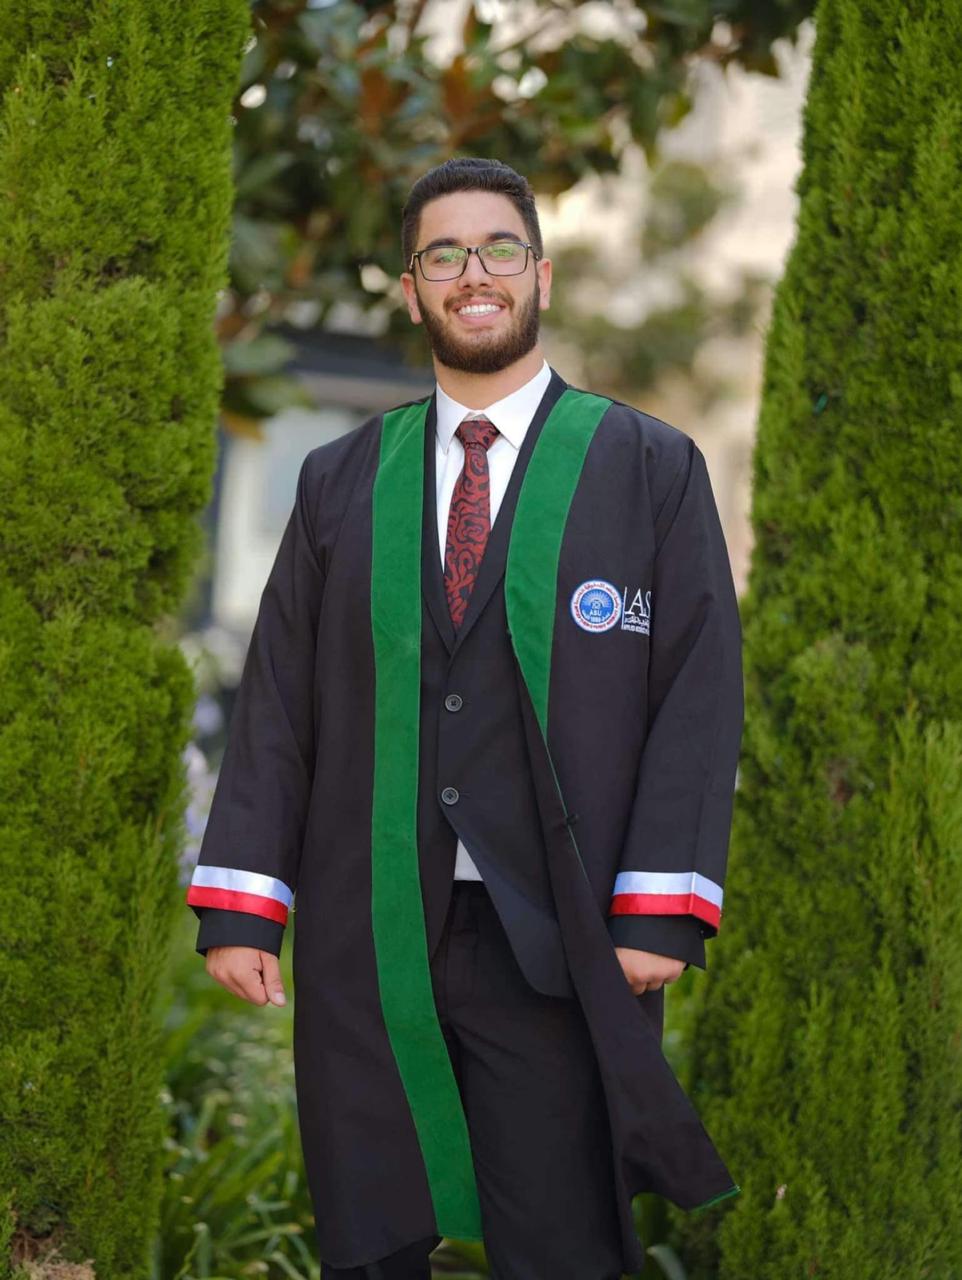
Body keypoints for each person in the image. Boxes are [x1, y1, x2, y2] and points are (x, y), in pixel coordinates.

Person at [187, 157, 744, 1280]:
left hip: (557, 932)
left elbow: (695, 693)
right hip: (374, 923)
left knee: (562, 1243)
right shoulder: (342, 479)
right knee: (372, 1234)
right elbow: (281, 692)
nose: (473, 274)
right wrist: (244, 902)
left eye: (499, 249)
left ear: (541, 274)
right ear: (411, 290)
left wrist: (657, 907)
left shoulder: (647, 468)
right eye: (443, 255)